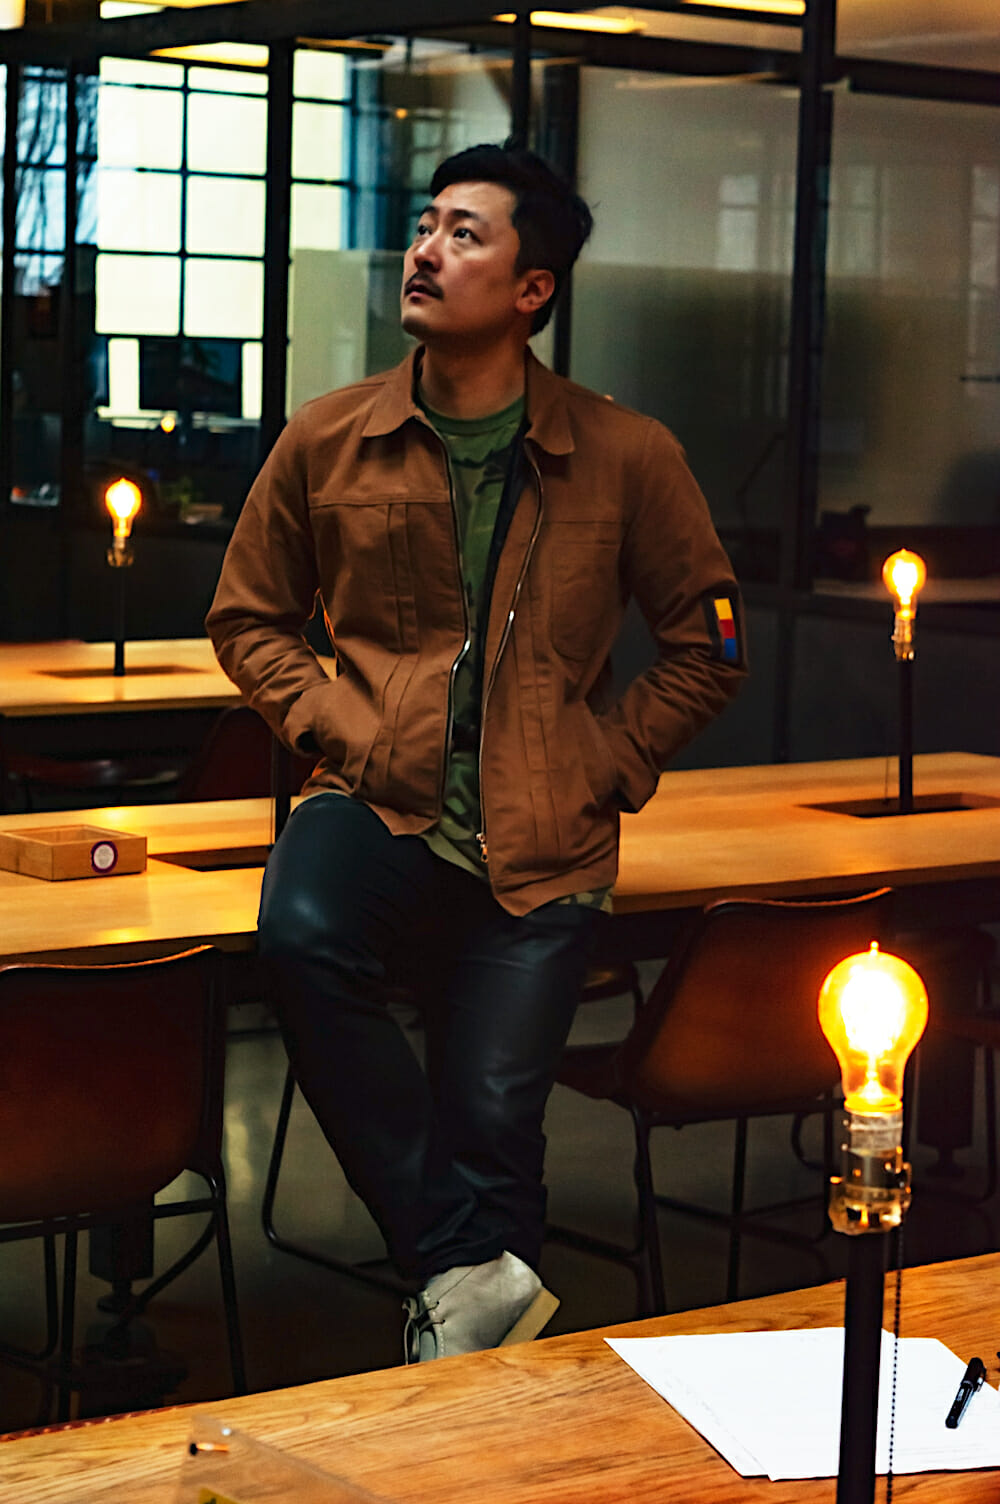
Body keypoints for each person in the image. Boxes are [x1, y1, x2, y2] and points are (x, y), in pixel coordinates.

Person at [206, 140, 747, 1363]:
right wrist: (336, 722)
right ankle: (466, 1270)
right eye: (425, 225)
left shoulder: (628, 453)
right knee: (297, 933)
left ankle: (473, 1380)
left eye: (464, 232)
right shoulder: (327, 438)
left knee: (494, 1121)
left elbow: (706, 644)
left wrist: (607, 761)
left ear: (530, 290)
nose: (425, 249)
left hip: (546, 834)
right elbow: (247, 616)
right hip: (373, 802)